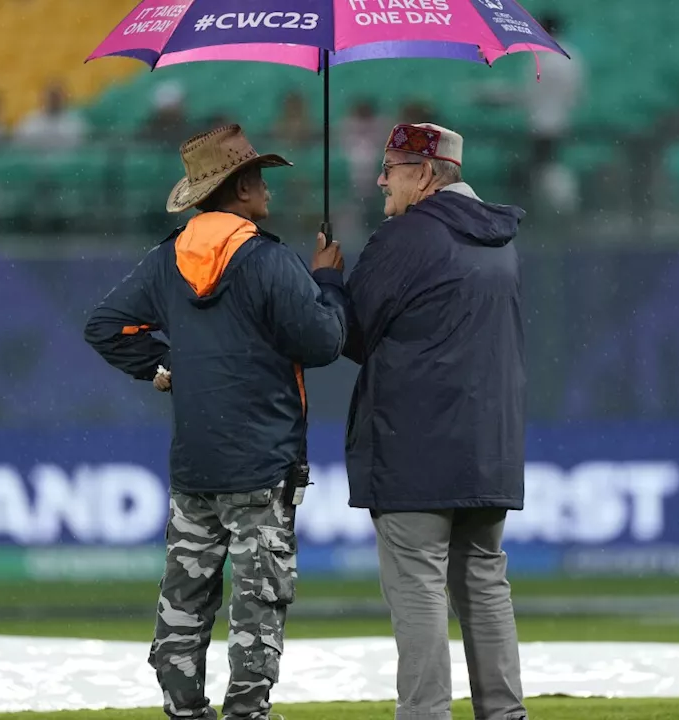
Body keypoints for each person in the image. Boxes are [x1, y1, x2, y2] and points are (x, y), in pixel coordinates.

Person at [84, 124, 347, 720]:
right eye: (261, 181)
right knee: (258, 601)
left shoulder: (166, 260)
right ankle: (247, 714)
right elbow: (326, 341)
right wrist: (327, 280)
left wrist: (164, 366)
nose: (269, 193)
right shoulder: (270, 261)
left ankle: (183, 710)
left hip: (195, 464)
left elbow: (104, 327)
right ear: (244, 187)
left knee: (185, 597)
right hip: (262, 463)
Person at [311, 123, 527, 720]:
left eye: (393, 167)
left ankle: (426, 715)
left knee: (419, 592)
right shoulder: (502, 239)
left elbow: (344, 336)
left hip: (414, 449)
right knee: (484, 587)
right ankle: (505, 714)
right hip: (490, 445)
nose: (381, 179)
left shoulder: (406, 237)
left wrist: (328, 277)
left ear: (426, 174)